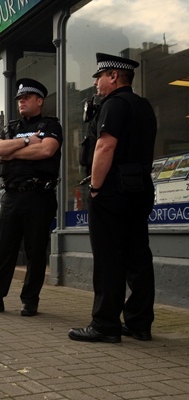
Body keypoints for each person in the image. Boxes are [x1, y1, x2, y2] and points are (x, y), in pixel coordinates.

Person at [68, 53, 157, 343]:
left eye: (100, 76)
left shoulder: (113, 105)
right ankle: (140, 323)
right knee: (138, 256)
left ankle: (105, 325)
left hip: (112, 190)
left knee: (108, 259)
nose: (95, 81)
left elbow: (104, 148)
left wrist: (94, 188)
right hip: (140, 187)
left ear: (114, 77)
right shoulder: (143, 106)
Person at [0, 78, 62, 317]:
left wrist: (14, 152)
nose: (21, 102)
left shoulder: (50, 125)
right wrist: (28, 141)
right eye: (19, 99)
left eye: (26, 98)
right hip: (10, 196)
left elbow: (47, 150)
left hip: (39, 195)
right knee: (4, 250)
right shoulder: (11, 127)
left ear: (39, 101)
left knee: (35, 251)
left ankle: (30, 300)